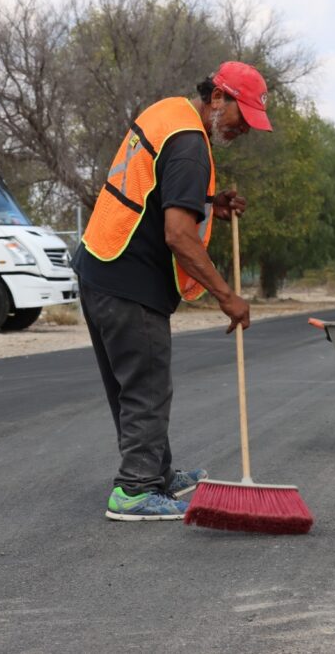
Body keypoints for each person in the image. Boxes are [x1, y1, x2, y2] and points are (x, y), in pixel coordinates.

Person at [72, 61, 272, 521]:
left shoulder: (171, 113)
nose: (245, 130)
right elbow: (179, 236)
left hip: (99, 264)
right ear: (218, 98)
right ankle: (136, 490)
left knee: (134, 385)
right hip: (128, 278)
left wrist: (208, 203)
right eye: (245, 117)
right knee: (146, 387)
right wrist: (228, 296)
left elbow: (155, 189)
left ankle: (156, 473)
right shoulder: (190, 147)